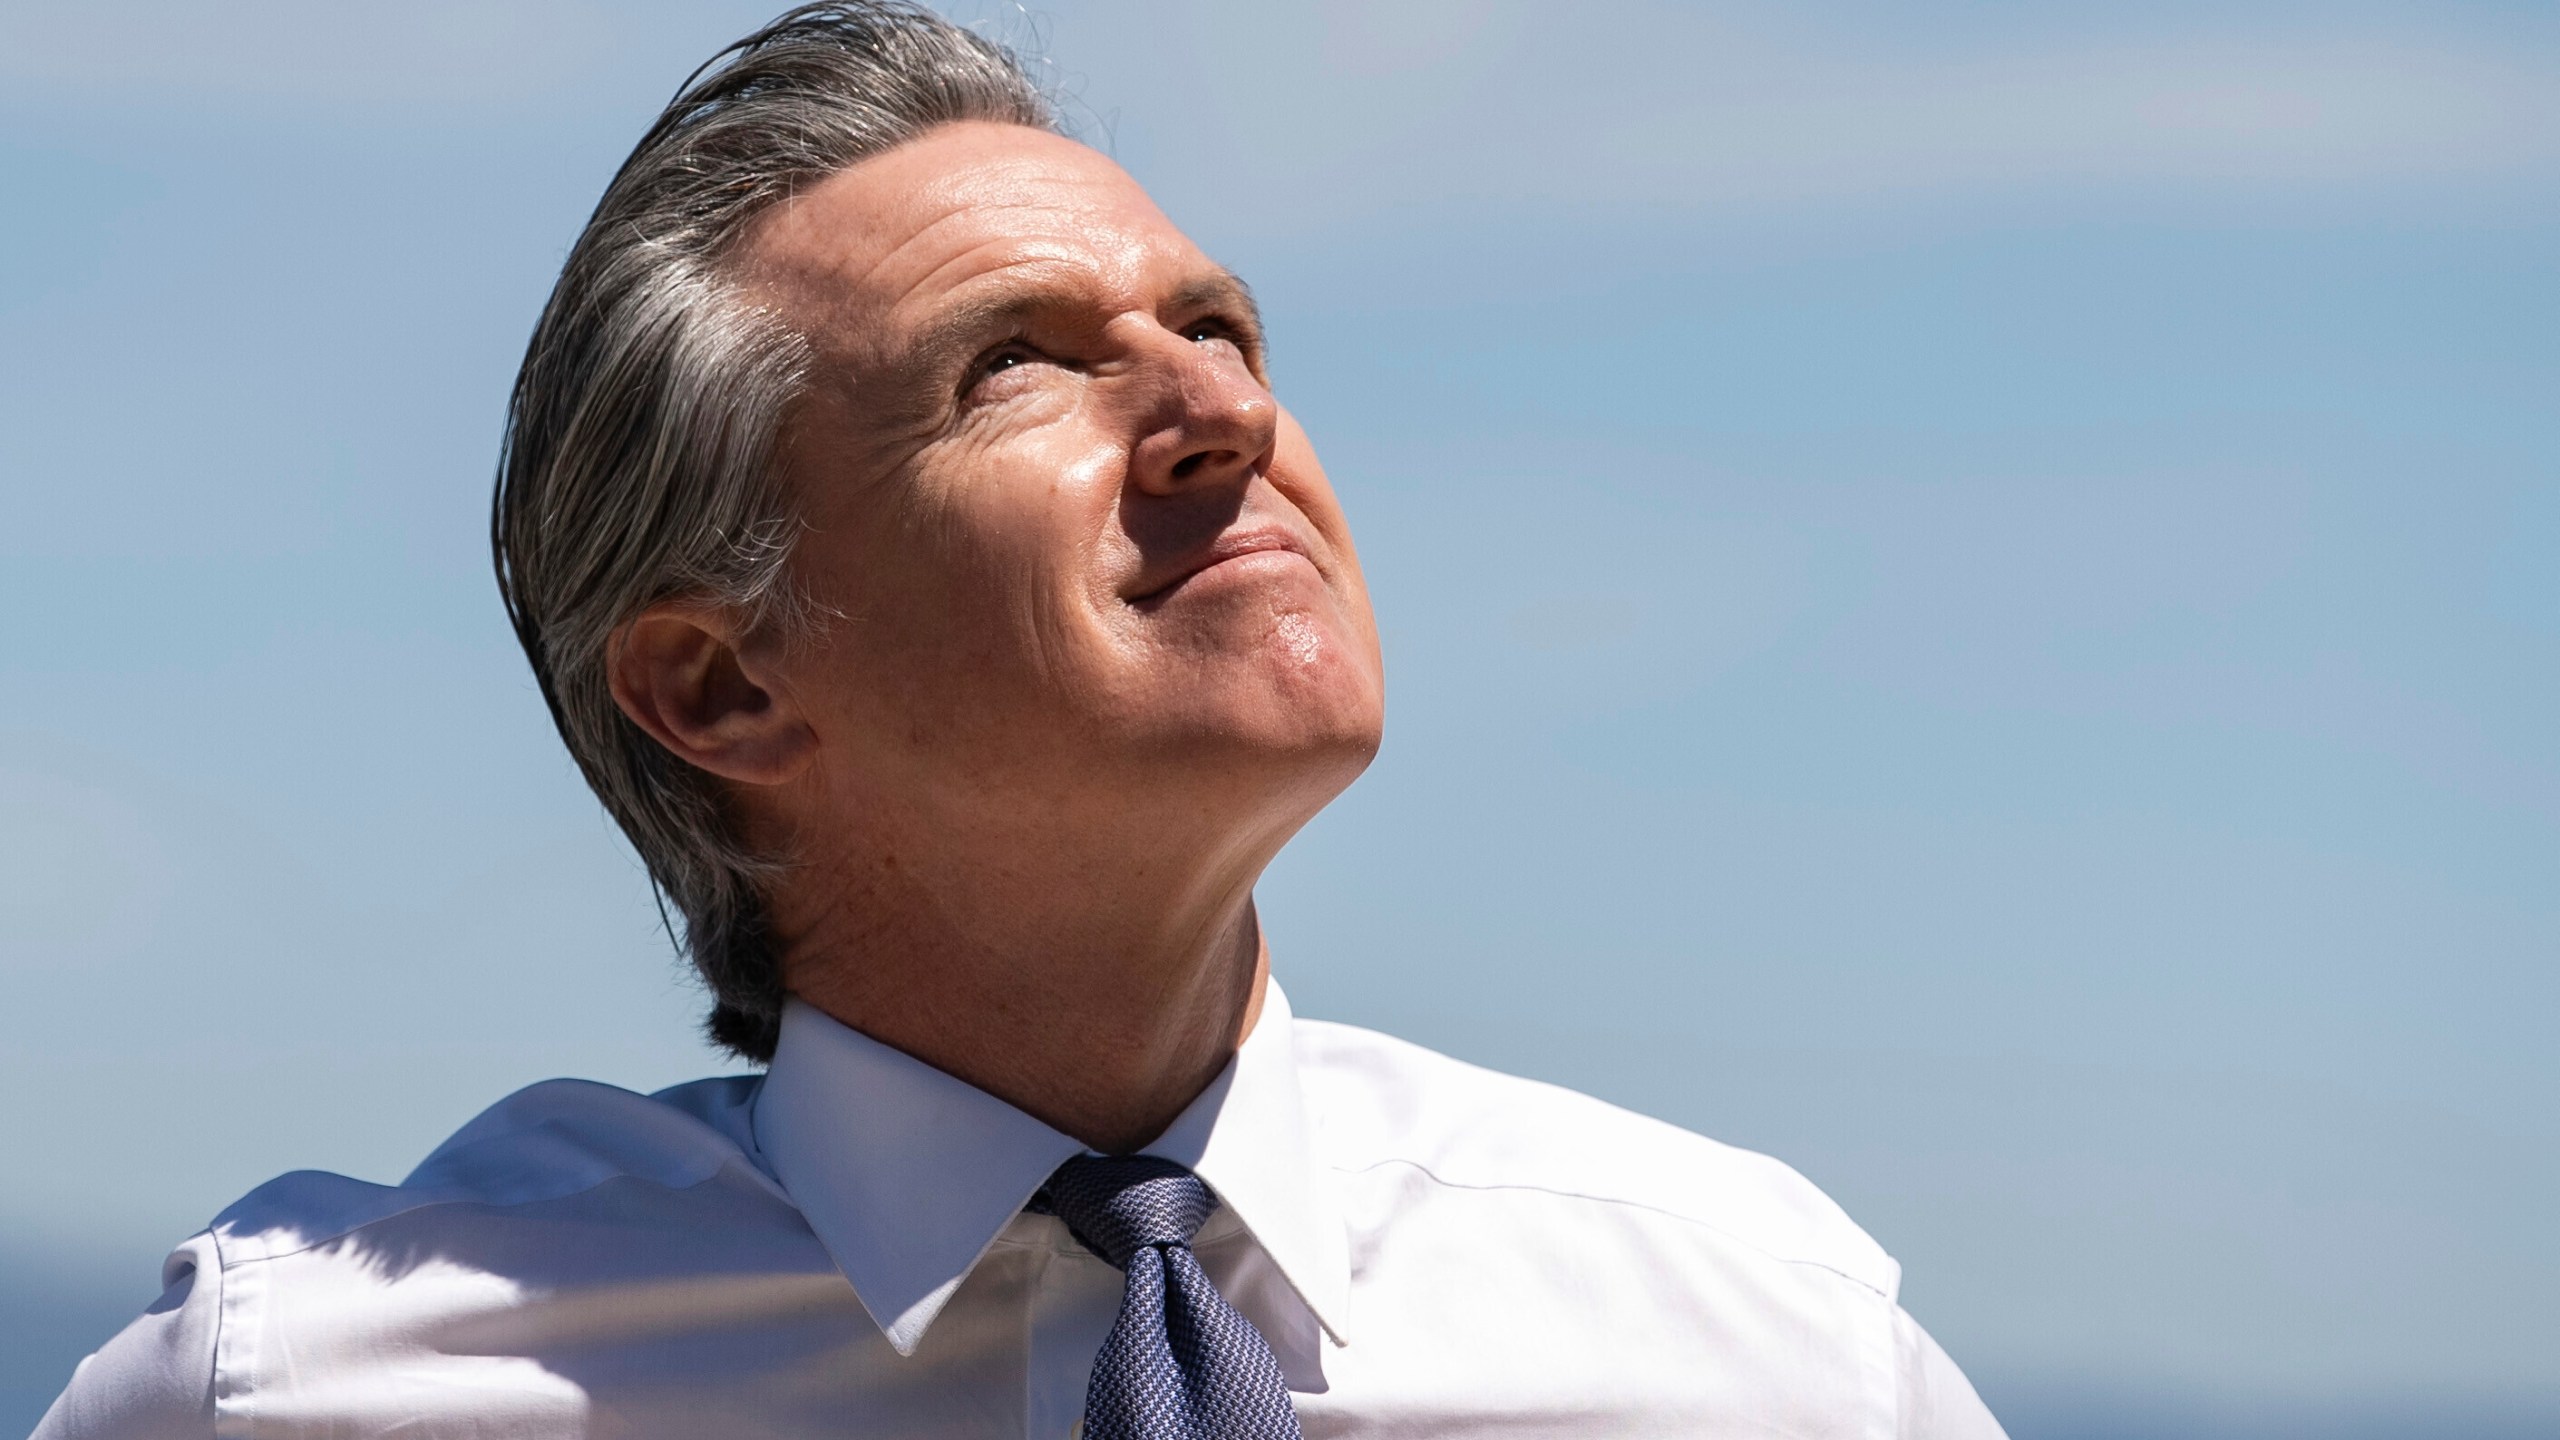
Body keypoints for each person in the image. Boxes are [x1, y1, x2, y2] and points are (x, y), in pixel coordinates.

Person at [38, 5, 2005, 1437]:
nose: (1222, 414)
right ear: (720, 685)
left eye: (1216, 328)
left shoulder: (1762, 1342)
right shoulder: (307, 1389)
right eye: (1014, 367)